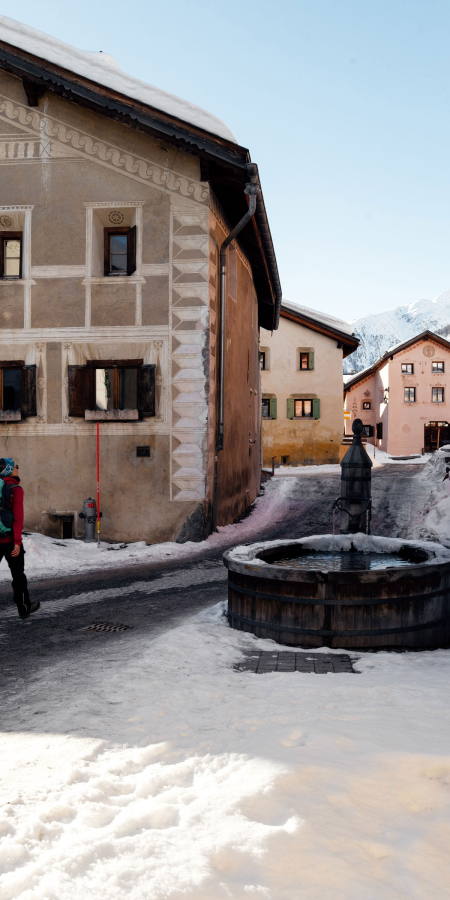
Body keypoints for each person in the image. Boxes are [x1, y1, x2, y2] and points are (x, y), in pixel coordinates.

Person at [0, 458, 39, 619]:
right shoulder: (16, 489)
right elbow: (18, 519)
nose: (18, 468)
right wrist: (17, 542)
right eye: (16, 466)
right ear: (9, 470)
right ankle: (24, 608)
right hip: (9, 541)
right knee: (18, 576)